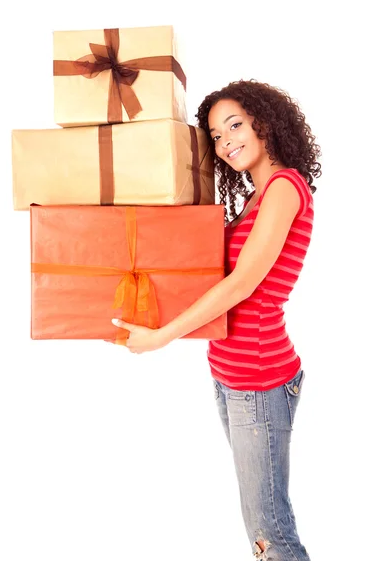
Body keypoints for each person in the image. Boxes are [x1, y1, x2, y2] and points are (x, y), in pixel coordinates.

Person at [112, 79, 322, 560]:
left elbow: (242, 284)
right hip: (232, 376)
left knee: (270, 532)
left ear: (264, 123)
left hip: (259, 378)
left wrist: (162, 337)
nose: (227, 142)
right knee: (262, 524)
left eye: (236, 125)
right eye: (216, 135)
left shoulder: (285, 188)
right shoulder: (254, 196)